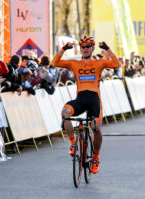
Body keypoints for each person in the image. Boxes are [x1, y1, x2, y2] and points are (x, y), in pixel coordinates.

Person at [51, 35, 120, 174]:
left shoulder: (99, 62)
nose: (86, 49)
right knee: (65, 112)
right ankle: (72, 144)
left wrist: (108, 49)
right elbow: (54, 63)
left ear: (93, 48)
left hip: (95, 100)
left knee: (96, 129)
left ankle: (95, 158)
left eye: (89, 46)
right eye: (83, 46)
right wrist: (63, 49)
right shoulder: (74, 63)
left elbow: (116, 64)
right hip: (80, 100)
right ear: (80, 48)